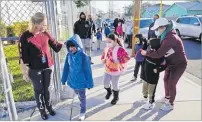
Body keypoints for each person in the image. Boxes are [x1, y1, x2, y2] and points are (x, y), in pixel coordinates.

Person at [19, 12, 63, 120]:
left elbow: (56, 47)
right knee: (39, 91)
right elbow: (22, 56)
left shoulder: (45, 33)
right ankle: (42, 110)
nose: (45, 26)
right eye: (43, 24)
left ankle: (49, 106)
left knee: (47, 89)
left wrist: (66, 42)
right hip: (35, 69)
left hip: (48, 66)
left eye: (46, 24)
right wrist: (24, 72)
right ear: (36, 24)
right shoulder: (25, 36)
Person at [141, 18, 187, 111]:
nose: (157, 31)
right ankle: (167, 97)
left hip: (179, 64)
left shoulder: (171, 38)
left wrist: (146, 53)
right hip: (170, 63)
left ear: (164, 27)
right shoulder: (165, 36)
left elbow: (159, 54)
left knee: (171, 83)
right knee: (165, 79)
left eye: (158, 29)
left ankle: (170, 104)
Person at [61, 34, 94, 121]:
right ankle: (80, 99)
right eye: (70, 47)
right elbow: (66, 68)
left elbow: (88, 71)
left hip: (82, 81)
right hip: (73, 81)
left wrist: (89, 83)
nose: (71, 48)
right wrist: (63, 79)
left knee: (82, 96)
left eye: (73, 46)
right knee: (77, 93)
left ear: (78, 46)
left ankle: (82, 111)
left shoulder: (83, 57)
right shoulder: (68, 56)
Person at [101, 33, 130, 105]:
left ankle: (116, 97)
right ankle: (109, 91)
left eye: (109, 42)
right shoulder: (106, 48)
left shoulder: (120, 49)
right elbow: (103, 56)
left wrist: (120, 61)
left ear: (115, 41)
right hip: (107, 70)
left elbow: (127, 58)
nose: (108, 43)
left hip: (116, 71)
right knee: (105, 83)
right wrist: (103, 60)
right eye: (107, 42)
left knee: (115, 84)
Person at [140, 38, 167, 110]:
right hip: (145, 75)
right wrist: (145, 43)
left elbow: (164, 65)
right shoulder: (148, 52)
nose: (149, 47)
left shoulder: (160, 56)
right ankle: (145, 99)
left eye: (150, 46)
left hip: (153, 77)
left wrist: (158, 69)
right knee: (144, 90)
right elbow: (142, 52)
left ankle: (151, 103)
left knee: (151, 91)